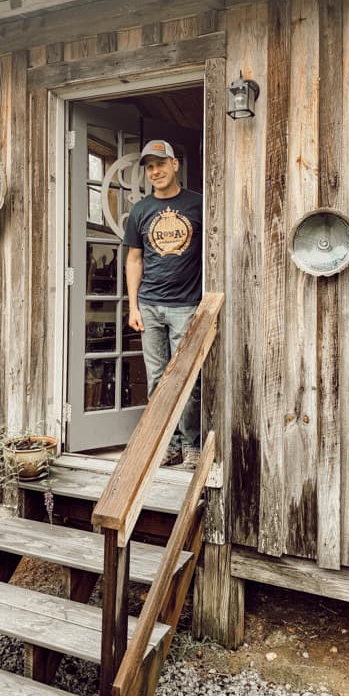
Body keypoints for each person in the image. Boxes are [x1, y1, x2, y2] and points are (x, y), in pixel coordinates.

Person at [123, 140, 202, 469]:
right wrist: (133, 307)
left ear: (174, 165)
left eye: (160, 164)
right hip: (150, 307)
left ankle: (192, 446)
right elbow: (134, 259)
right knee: (157, 379)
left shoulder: (198, 204)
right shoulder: (141, 211)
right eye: (149, 166)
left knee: (187, 378)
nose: (155, 171)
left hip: (186, 306)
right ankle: (168, 445)